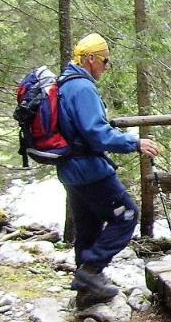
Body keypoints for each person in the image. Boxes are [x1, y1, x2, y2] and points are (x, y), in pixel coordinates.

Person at [56, 33, 161, 307]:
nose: (106, 66)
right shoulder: (82, 88)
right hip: (90, 170)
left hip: (71, 171)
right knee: (127, 215)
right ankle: (90, 272)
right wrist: (134, 142)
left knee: (89, 226)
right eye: (105, 60)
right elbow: (97, 134)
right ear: (90, 59)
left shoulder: (65, 84)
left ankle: (86, 292)